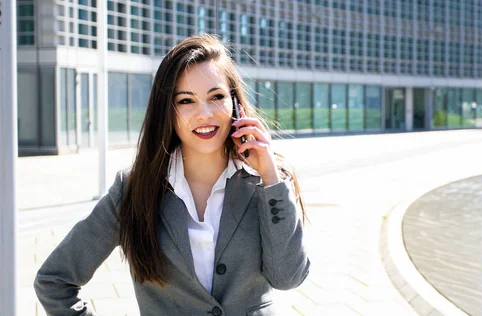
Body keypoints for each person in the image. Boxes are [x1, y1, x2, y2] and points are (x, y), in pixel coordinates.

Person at [34, 34, 310, 316]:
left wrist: (270, 178)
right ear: (167, 111)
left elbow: (288, 277)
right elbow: (54, 281)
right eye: (186, 101)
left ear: (235, 104)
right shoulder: (134, 189)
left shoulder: (266, 182)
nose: (205, 114)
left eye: (216, 97)